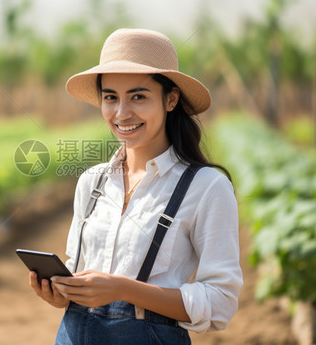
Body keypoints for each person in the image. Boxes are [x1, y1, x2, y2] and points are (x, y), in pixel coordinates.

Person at [29, 28, 243, 345]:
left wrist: (122, 289)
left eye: (138, 97)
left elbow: (220, 303)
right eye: (110, 98)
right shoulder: (92, 181)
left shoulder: (207, 187)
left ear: (170, 99)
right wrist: (61, 294)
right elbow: (77, 272)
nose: (121, 113)